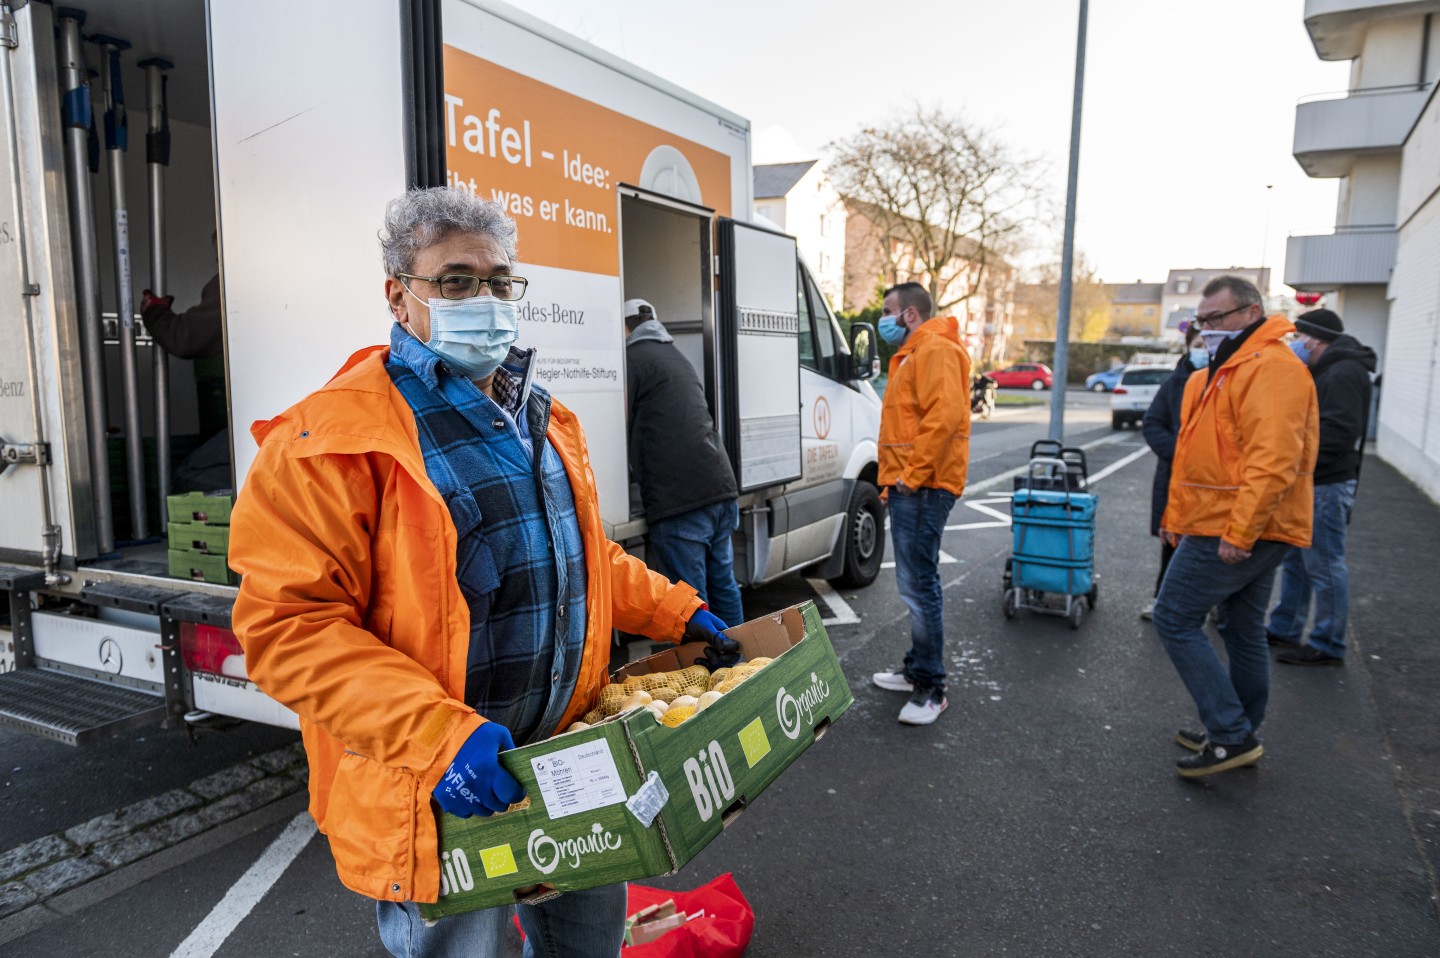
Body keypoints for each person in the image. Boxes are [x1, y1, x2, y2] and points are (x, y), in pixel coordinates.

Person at [228, 187, 737, 958]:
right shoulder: (324, 441)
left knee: (587, 945)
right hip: (445, 788)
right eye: (457, 281)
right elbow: (289, 631)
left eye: (500, 282)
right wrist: (441, 739)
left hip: (573, 762)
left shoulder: (541, 416)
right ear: (400, 298)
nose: (487, 300)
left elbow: (579, 557)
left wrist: (674, 613)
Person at [1152, 275, 1317, 778]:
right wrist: (1175, 518)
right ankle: (1239, 728)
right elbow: (1199, 457)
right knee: (1241, 626)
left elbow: (1274, 460)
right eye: (1201, 321)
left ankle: (1229, 732)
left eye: (1216, 319)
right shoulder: (1230, 368)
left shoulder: (1268, 367)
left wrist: (1240, 532)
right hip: (1226, 520)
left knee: (1174, 616)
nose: (1206, 330)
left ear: (1251, 312)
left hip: (1240, 524)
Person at [869, 281, 971, 726]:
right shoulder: (917, 351)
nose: (884, 318)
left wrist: (909, 479)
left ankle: (932, 688)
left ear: (910, 314)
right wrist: (895, 482)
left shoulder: (933, 349)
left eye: (889, 310)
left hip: (924, 487)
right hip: (913, 485)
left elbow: (943, 418)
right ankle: (918, 670)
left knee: (919, 586)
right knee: (915, 585)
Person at [624, 297, 744, 626]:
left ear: (626, 328)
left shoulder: (631, 360)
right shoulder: (677, 356)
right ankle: (745, 668)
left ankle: (715, 674)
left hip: (682, 501)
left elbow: (619, 422)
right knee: (724, 586)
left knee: (691, 605)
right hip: (720, 486)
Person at [1266, 309, 1376, 666]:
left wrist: (1298, 463)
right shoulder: (1330, 368)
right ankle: (1285, 627)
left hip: (1326, 483)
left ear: (1313, 339)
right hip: (1316, 481)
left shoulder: (1342, 372)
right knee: (1297, 560)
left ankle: (1328, 642)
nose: (1294, 344)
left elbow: (1339, 433)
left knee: (1325, 565)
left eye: (1297, 338)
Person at [1139, 323, 1207, 620]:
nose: (1204, 351)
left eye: (1208, 345)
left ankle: (1208, 604)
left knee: (1208, 542)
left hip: (1212, 480)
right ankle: (1162, 600)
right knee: (1172, 543)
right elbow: (1153, 423)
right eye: (1199, 345)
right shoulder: (1173, 384)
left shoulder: (1224, 380)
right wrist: (1180, 455)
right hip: (1175, 475)